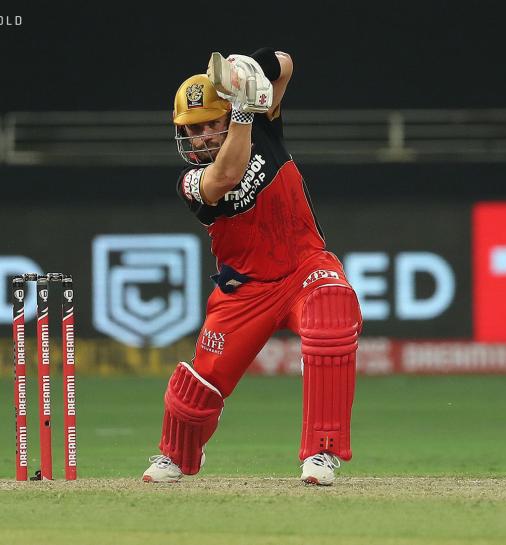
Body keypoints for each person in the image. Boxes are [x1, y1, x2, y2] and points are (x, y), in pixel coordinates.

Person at [142, 48, 362, 486]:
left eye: (209, 124)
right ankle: (178, 455)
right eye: (192, 129)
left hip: (305, 269)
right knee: (195, 396)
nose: (202, 137)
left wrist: (248, 72)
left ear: (225, 115)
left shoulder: (261, 123)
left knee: (332, 310)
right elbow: (228, 173)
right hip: (244, 290)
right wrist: (241, 112)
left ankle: (321, 453)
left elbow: (286, 63)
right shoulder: (192, 183)